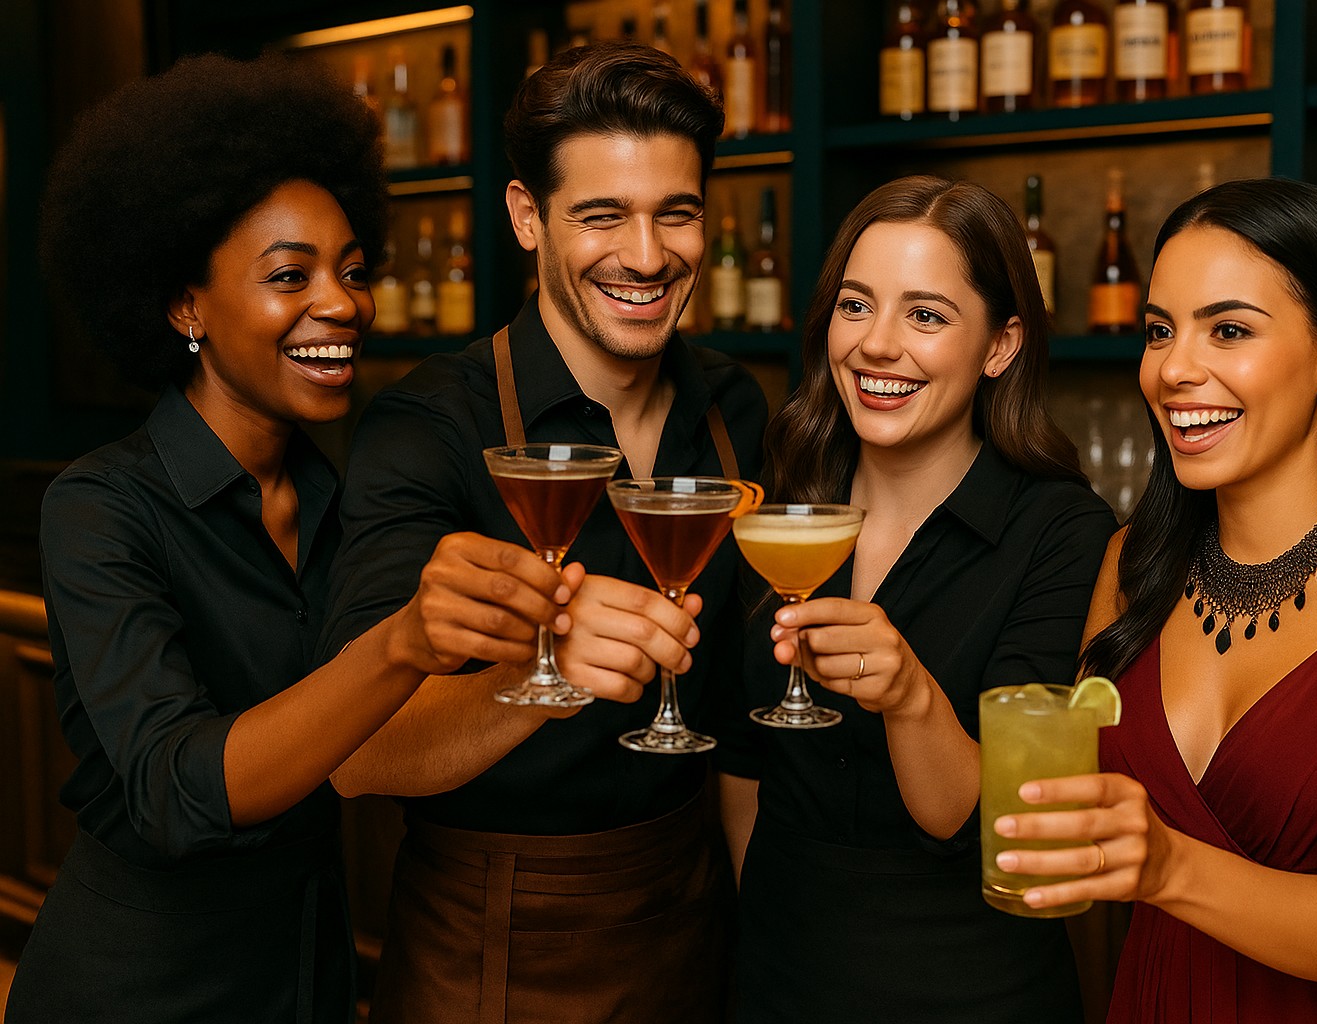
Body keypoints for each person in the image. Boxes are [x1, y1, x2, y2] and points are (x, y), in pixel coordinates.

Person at [8, 53, 568, 1024]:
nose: (343, 304)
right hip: (142, 990)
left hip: (310, 974)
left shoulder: (337, 497)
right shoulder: (101, 507)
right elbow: (176, 787)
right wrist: (398, 646)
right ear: (186, 305)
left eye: (353, 272)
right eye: (289, 275)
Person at [318, 43, 766, 1024]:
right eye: (602, 216)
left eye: (675, 214)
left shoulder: (735, 408)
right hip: (497, 939)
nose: (645, 256)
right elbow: (361, 753)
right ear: (529, 217)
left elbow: (739, 724)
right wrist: (542, 669)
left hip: (699, 927)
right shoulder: (430, 428)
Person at [992, 178, 1317, 1021]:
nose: (1175, 369)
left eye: (1228, 329)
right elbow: (1048, 813)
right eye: (1160, 332)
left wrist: (1169, 867)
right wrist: (905, 692)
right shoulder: (1131, 565)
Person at [716, 175, 1118, 1022]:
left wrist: (908, 694)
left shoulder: (1061, 532)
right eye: (855, 306)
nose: (876, 345)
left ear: (1001, 345)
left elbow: (973, 816)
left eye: (926, 315)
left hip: (967, 985)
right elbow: (743, 768)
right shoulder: (781, 498)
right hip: (779, 972)